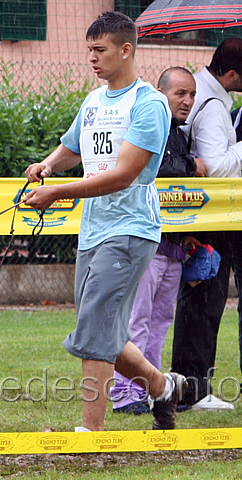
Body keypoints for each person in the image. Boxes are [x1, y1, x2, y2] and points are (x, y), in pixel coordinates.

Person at [22, 11, 185, 432]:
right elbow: (73, 146)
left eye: (100, 50)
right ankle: (162, 386)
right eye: (89, 50)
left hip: (131, 230)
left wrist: (57, 192)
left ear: (125, 49)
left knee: (95, 323)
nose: (92, 59)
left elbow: (124, 174)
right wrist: (49, 165)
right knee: (101, 326)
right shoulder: (94, 99)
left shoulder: (149, 104)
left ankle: (89, 432)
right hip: (93, 229)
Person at [110, 67, 205, 415]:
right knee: (136, 320)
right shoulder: (151, 123)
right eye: (180, 93)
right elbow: (160, 170)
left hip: (175, 247)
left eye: (192, 95)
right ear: (161, 92)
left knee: (161, 322)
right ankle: (124, 394)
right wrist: (191, 165)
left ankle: (155, 391)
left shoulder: (179, 133)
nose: (188, 101)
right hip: (146, 243)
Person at [171, 38, 242, 412]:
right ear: (230, 74)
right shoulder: (214, 109)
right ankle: (193, 390)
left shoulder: (202, 96)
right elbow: (214, 166)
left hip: (197, 215)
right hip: (211, 215)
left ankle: (189, 385)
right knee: (204, 302)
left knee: (197, 300)